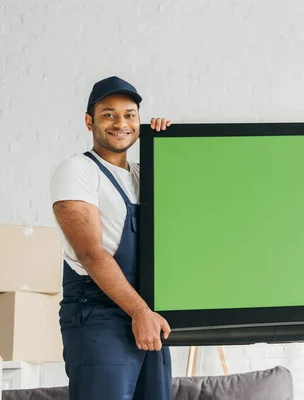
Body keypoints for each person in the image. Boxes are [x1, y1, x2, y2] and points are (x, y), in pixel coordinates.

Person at [50, 76, 173, 400]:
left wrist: (168, 143)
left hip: (146, 313)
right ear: (89, 121)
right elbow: (91, 253)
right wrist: (140, 312)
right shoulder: (77, 171)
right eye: (109, 114)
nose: (121, 123)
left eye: (129, 114)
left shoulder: (143, 173)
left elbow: (194, 211)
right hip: (98, 315)